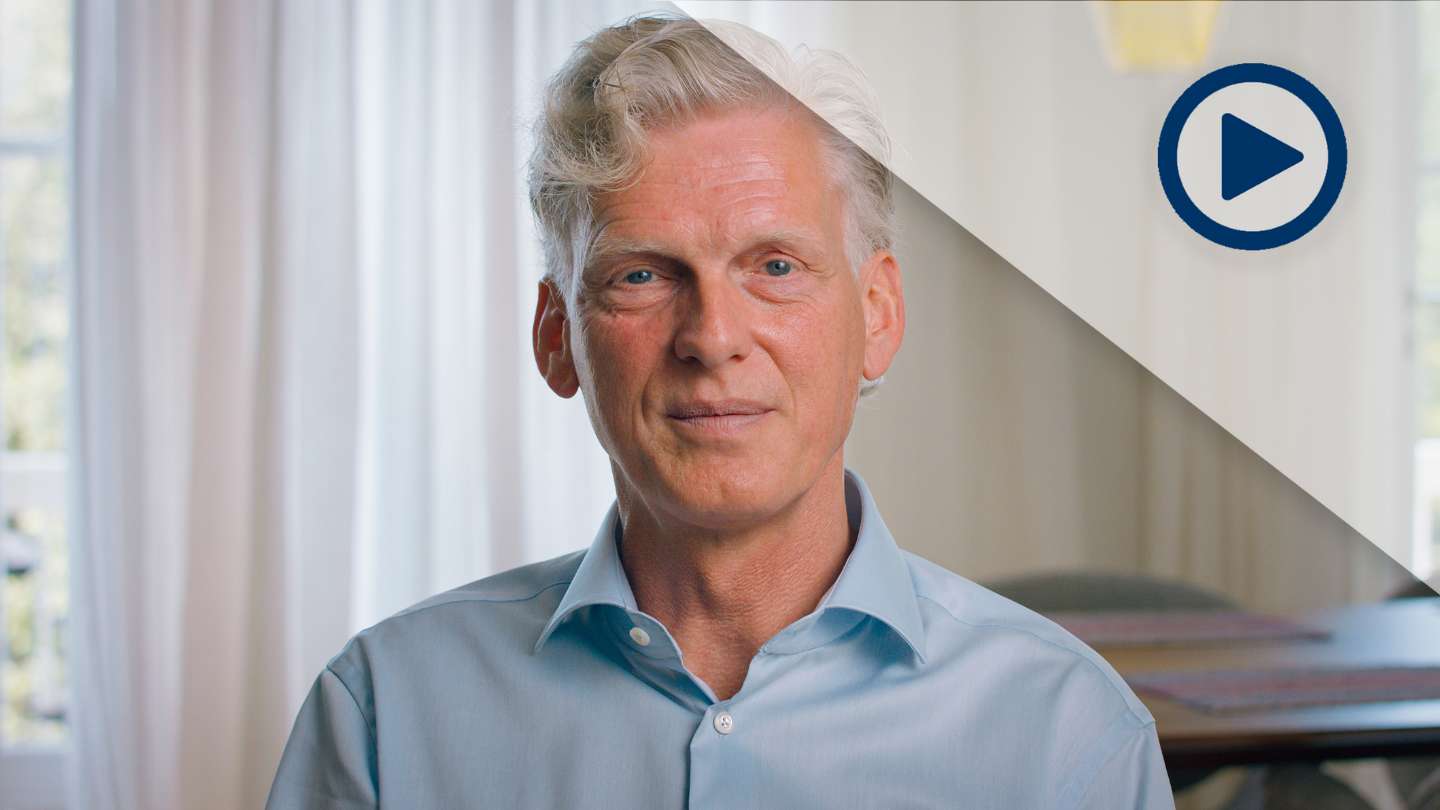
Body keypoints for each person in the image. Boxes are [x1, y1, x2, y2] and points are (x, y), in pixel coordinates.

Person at [266, 14, 1174, 809]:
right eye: (643, 275)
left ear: (880, 317)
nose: (713, 336)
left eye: (775, 266)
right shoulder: (385, 715)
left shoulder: (1069, 735)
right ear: (556, 337)